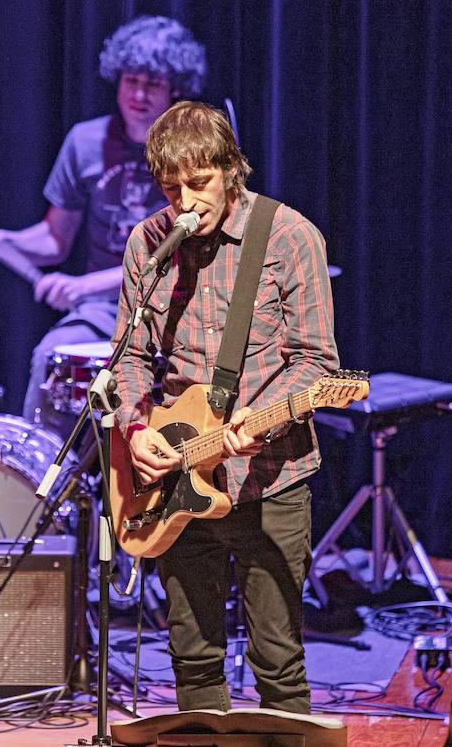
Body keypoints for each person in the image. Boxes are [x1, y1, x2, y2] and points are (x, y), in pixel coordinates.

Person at [113, 101, 338, 712]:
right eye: (170, 188)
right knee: (192, 659)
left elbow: (319, 364)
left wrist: (266, 421)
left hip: (271, 478)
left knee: (279, 661)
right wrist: (136, 432)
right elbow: (129, 358)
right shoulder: (149, 244)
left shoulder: (290, 238)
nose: (185, 202)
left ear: (230, 169)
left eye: (199, 184)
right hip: (179, 479)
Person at [0, 16, 207, 432]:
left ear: (174, 89)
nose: (139, 95)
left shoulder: (193, 150)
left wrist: (83, 285)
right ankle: (39, 477)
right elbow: (55, 239)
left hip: (180, 307)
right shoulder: (86, 143)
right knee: (52, 356)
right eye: (131, 81)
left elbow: (182, 254)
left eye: (153, 85)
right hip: (106, 311)